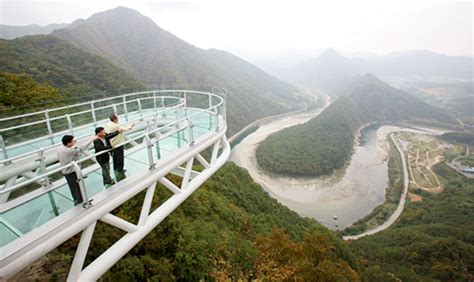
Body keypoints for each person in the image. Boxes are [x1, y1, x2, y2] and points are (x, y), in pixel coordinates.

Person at [58, 135, 94, 206]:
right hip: (70, 171)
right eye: (72, 141)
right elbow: (81, 148)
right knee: (76, 187)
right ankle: (80, 203)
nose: (74, 141)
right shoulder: (68, 151)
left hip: (68, 171)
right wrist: (91, 139)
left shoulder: (61, 148)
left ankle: (81, 201)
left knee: (75, 187)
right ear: (68, 143)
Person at [105, 113, 134, 181]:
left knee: (115, 158)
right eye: (117, 117)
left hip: (113, 144)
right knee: (120, 158)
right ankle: (120, 173)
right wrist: (131, 126)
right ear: (115, 119)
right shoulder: (115, 126)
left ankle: (116, 170)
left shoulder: (109, 124)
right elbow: (123, 129)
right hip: (117, 144)